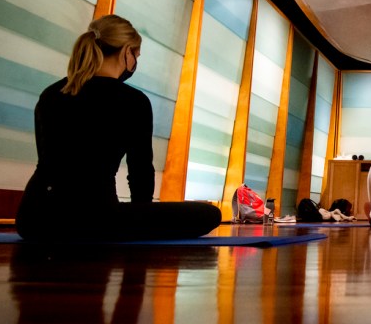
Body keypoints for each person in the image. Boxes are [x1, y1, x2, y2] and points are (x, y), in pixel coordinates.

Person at [15, 15, 221, 242]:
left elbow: (45, 162)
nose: (134, 62)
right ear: (126, 52)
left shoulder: (51, 94)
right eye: (136, 55)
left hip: (34, 219)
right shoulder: (134, 101)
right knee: (209, 214)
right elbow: (140, 171)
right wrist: (141, 218)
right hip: (97, 219)